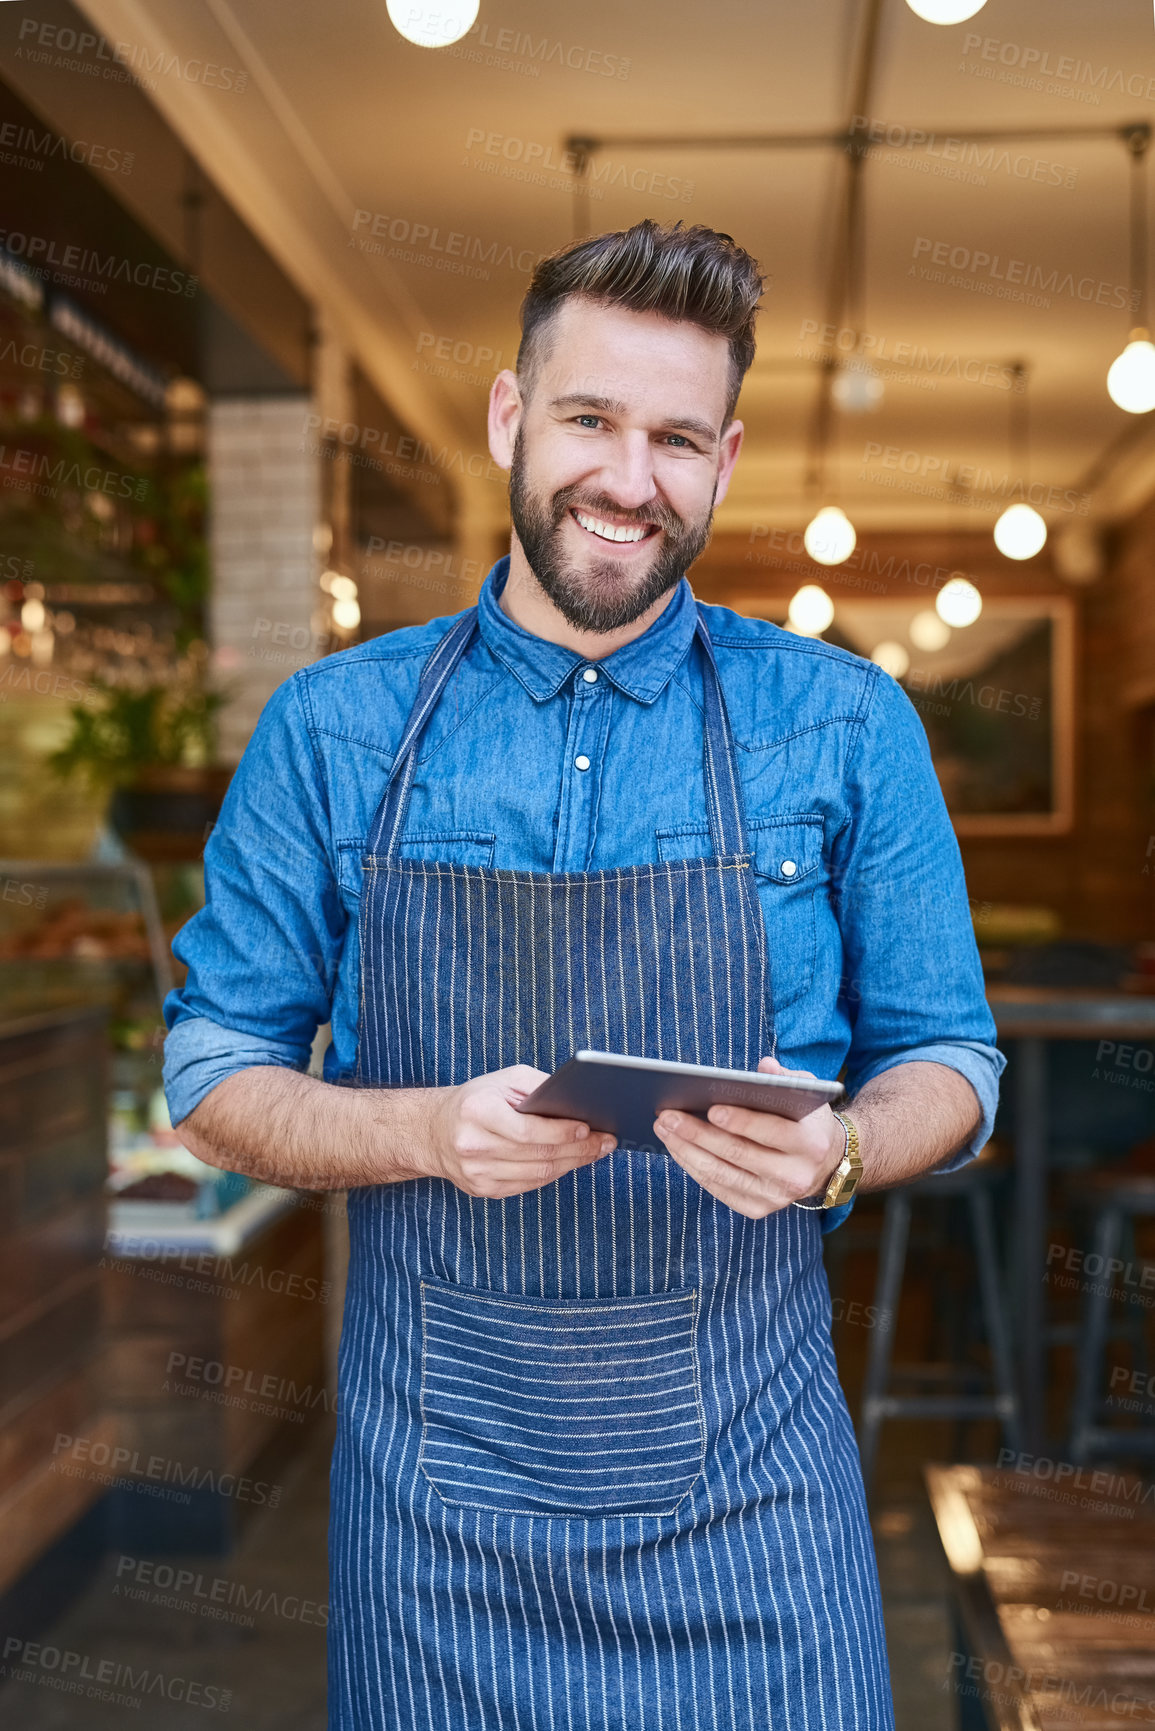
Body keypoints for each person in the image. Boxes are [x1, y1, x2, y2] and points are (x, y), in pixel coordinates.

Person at [165, 218, 1003, 1730]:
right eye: (590, 420)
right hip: (441, 1520)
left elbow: (954, 1057)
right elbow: (212, 1079)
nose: (630, 480)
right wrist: (422, 1131)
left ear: (727, 458)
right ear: (509, 416)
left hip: (754, 1509)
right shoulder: (335, 731)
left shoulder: (844, 726)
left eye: (677, 436)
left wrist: (846, 1149)